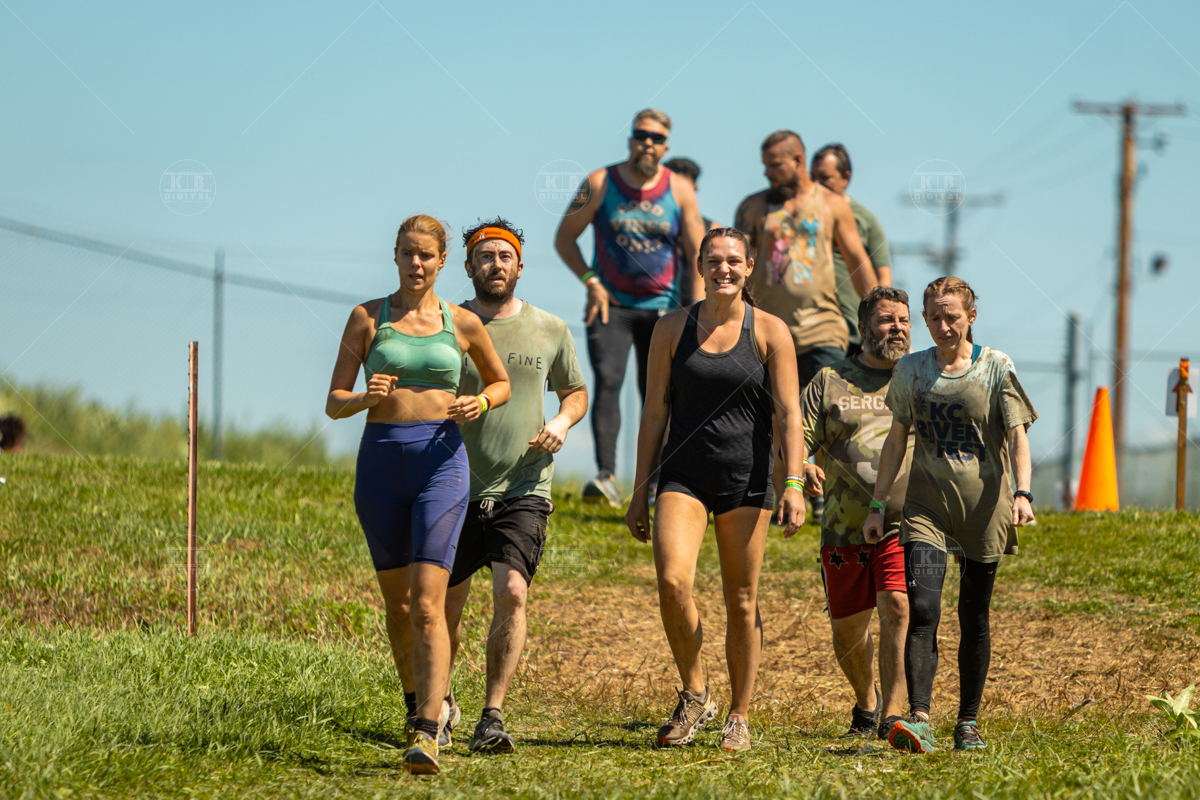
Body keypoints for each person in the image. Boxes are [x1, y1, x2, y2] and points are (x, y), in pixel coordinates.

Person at [325, 214, 511, 776]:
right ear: (396, 255)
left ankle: (430, 731)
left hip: (441, 465)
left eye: (426, 256)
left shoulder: (461, 323)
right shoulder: (366, 318)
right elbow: (333, 401)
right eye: (407, 253)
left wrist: (479, 403)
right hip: (380, 465)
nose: (415, 264)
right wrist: (364, 396)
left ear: (441, 262)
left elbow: (500, 383)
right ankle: (414, 704)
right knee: (399, 605)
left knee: (429, 604)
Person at [625, 227, 807, 752]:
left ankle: (739, 714)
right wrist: (641, 489)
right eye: (713, 261)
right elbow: (654, 410)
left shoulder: (771, 331)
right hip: (683, 477)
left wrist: (792, 482)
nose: (723, 269)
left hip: (745, 480)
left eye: (733, 261)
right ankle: (695, 691)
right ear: (699, 266)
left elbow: (790, 413)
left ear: (750, 267)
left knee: (742, 600)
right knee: (672, 581)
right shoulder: (669, 328)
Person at [865, 277, 1037, 754]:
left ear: (971, 317)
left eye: (953, 317)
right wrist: (879, 505)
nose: (944, 326)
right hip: (926, 509)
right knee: (923, 609)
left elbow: (1018, 434)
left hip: (985, 508)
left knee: (973, 614)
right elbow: (896, 439)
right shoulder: (911, 370)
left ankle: (968, 722)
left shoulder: (996, 367)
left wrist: (1022, 493)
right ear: (925, 320)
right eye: (935, 318)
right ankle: (920, 717)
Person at [440, 218, 589, 754]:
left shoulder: (549, 328)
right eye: (485, 257)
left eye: (505, 257)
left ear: (520, 266)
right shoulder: (446, 326)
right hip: (452, 483)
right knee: (445, 606)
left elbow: (575, 391)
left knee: (512, 591)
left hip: (523, 484)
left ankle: (492, 715)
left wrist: (562, 422)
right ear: (468, 267)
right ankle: (442, 701)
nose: (495, 265)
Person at [554, 109, 708, 508]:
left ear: (666, 146)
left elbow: (699, 252)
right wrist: (591, 282)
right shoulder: (601, 183)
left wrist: (693, 310)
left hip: (663, 310)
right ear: (630, 139)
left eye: (656, 138)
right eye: (641, 135)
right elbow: (565, 237)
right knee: (607, 382)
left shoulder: (679, 190)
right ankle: (605, 476)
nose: (648, 143)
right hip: (612, 306)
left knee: (657, 394)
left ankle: (656, 484)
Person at [734, 130, 879, 520]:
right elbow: (737, 262)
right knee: (775, 415)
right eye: (764, 166)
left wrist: (878, 316)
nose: (768, 174)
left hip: (822, 327)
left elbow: (857, 260)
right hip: (768, 330)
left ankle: (828, 495)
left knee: (829, 414)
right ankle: (783, 492)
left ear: (798, 160)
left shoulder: (831, 205)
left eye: (775, 165)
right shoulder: (753, 207)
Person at [800, 286, 913, 742]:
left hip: (904, 525)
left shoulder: (919, 377)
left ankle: (894, 716)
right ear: (863, 327)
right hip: (843, 528)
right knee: (848, 630)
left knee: (897, 606)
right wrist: (803, 466)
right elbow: (797, 441)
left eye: (904, 320)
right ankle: (866, 702)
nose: (898, 328)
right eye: (887, 320)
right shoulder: (829, 380)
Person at [810, 143, 894, 359]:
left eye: (825, 177)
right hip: (813, 329)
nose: (817, 185)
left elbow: (883, 277)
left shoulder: (865, 219)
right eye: (813, 177)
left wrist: (881, 323)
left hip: (853, 333)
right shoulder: (803, 217)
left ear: (845, 178)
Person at [663, 157, 722, 307]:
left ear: (694, 189)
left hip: (693, 311)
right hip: (652, 308)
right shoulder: (646, 227)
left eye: (683, 188)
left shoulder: (712, 230)